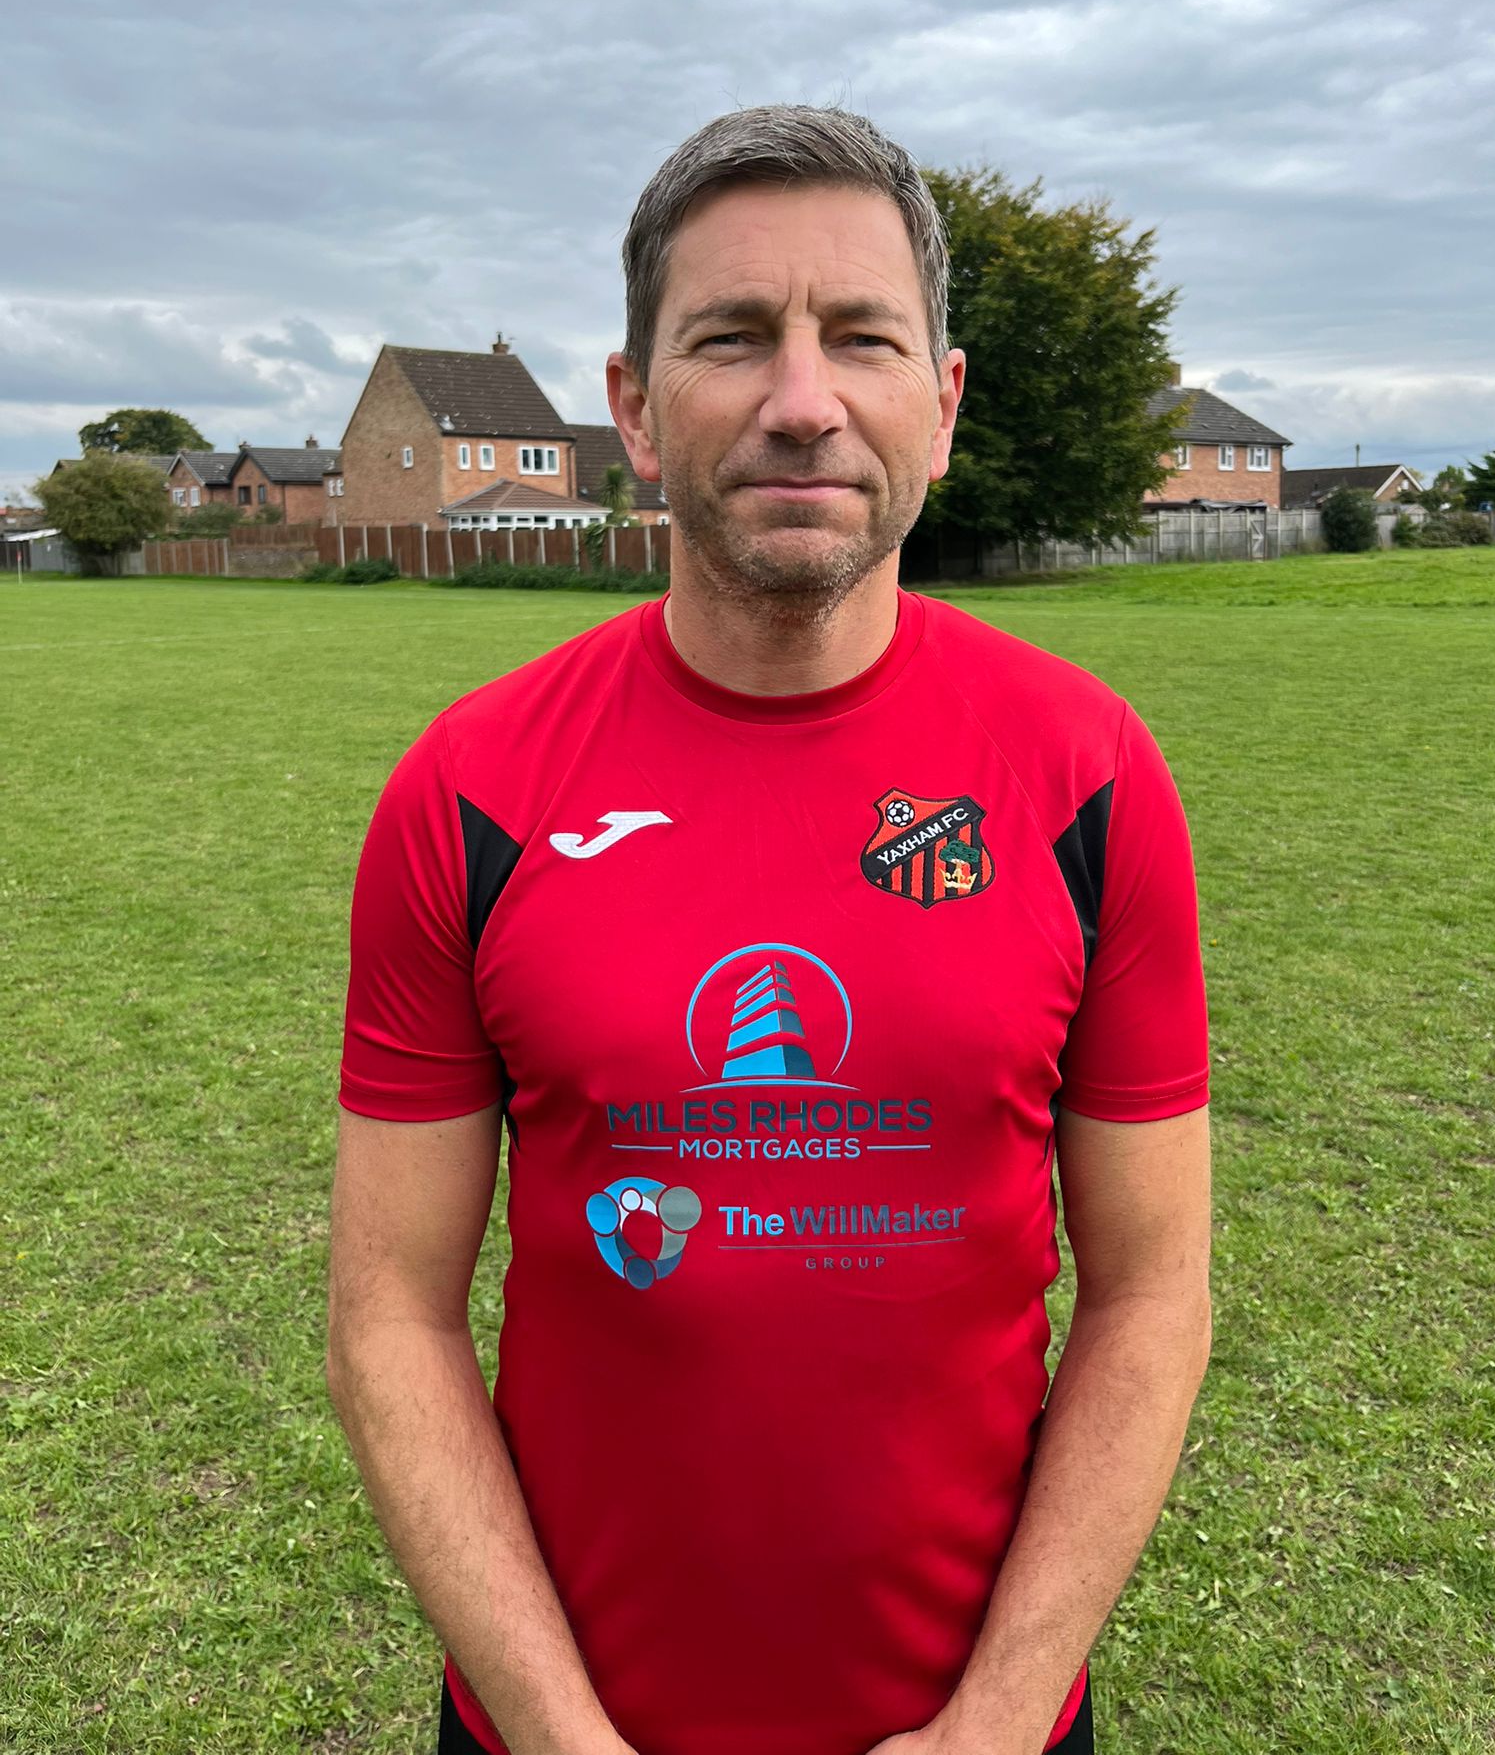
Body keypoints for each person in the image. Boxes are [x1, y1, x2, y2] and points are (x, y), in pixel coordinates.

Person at [326, 104, 1212, 1755]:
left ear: (942, 403)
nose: (802, 403)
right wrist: (562, 1737)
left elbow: (1153, 1294)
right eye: (732, 337)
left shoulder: (1088, 775)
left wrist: (998, 1720)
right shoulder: (471, 790)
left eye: (862, 337)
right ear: (634, 409)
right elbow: (392, 1315)